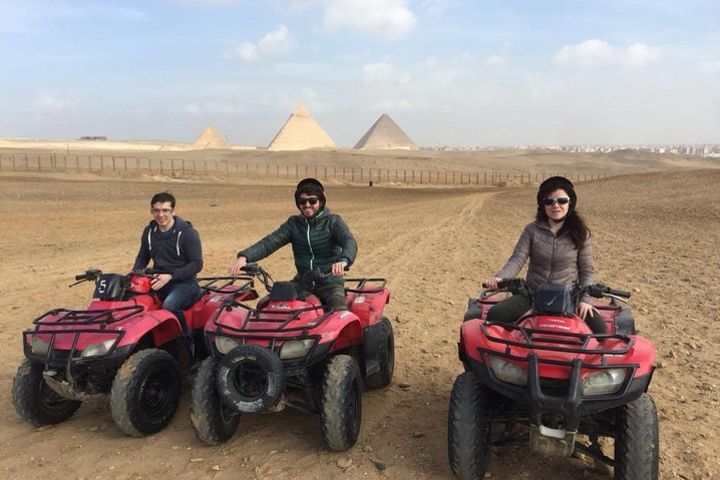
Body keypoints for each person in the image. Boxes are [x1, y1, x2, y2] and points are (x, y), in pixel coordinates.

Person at [481, 176, 606, 333]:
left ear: (570, 202)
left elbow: (586, 270)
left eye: (562, 200)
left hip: (568, 295)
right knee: (496, 314)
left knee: (602, 331)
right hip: (533, 293)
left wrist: (585, 300)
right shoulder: (531, 230)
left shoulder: (581, 233)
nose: (556, 205)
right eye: (549, 201)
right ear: (543, 204)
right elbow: (518, 258)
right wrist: (500, 277)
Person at [229, 178, 357, 311]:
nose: (307, 205)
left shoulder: (333, 222)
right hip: (302, 283)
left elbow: (349, 241)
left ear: (321, 201)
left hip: (330, 283)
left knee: (340, 312)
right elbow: (270, 242)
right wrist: (245, 257)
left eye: (312, 200)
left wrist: (344, 261)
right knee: (266, 306)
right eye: (302, 201)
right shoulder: (293, 224)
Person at [133, 192, 204, 344]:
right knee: (132, 304)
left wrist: (171, 275)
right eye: (156, 210)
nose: (161, 215)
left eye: (165, 210)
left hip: (184, 284)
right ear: (152, 211)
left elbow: (197, 264)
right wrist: (134, 274)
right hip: (157, 281)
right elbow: (142, 257)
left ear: (173, 211)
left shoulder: (187, 234)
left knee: (169, 306)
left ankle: (185, 341)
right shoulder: (149, 232)